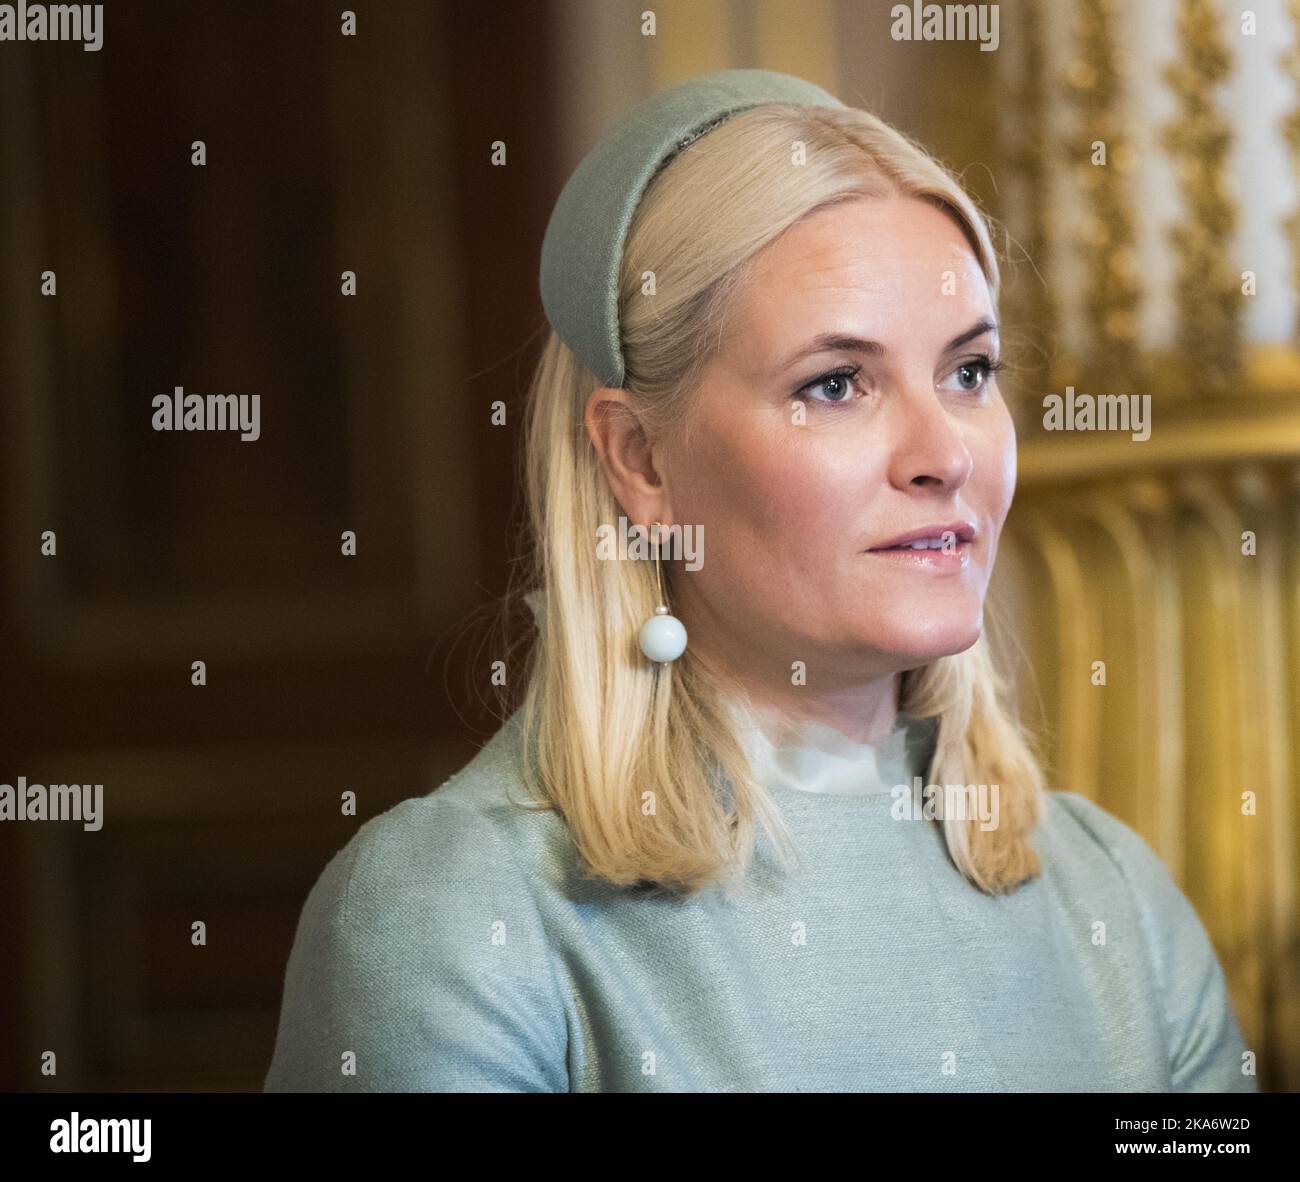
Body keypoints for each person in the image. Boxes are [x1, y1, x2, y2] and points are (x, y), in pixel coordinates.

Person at [263, 69, 1255, 1093]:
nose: (942, 453)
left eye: (968, 372)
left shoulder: (1115, 897)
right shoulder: (458, 913)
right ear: (639, 460)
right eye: (835, 385)